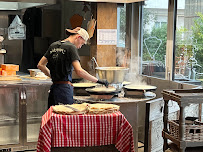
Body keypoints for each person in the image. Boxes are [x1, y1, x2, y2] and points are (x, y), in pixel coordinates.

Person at [37, 27, 109, 108]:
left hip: (54, 89)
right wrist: (98, 80)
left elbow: (40, 65)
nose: (80, 47)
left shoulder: (53, 45)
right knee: (66, 118)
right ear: (78, 37)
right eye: (82, 43)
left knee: (54, 118)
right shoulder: (71, 47)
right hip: (64, 91)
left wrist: (52, 76)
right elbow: (79, 71)